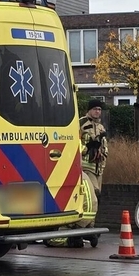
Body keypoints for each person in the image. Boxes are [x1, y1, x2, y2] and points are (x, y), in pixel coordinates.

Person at [47, 99, 108, 248]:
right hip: (85, 166)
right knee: (92, 195)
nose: (98, 112)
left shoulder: (101, 126)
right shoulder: (80, 123)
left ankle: (90, 227)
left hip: (98, 167)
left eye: (99, 110)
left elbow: (105, 144)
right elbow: (73, 141)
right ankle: (83, 228)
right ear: (89, 110)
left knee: (96, 198)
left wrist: (103, 153)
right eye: (95, 109)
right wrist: (87, 149)